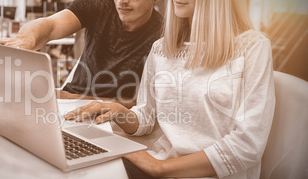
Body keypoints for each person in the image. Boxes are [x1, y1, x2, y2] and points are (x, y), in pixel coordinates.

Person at [64, 0, 276, 178]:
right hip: (154, 164)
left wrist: (160, 168)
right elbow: (148, 116)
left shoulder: (252, 47)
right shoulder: (162, 48)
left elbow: (248, 145)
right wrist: (121, 113)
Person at [0, 0, 163, 108]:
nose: (122, 2)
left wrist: (73, 98)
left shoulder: (163, 35)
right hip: (67, 103)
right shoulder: (99, 4)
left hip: (113, 119)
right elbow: (50, 26)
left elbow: (138, 106)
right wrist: (26, 39)